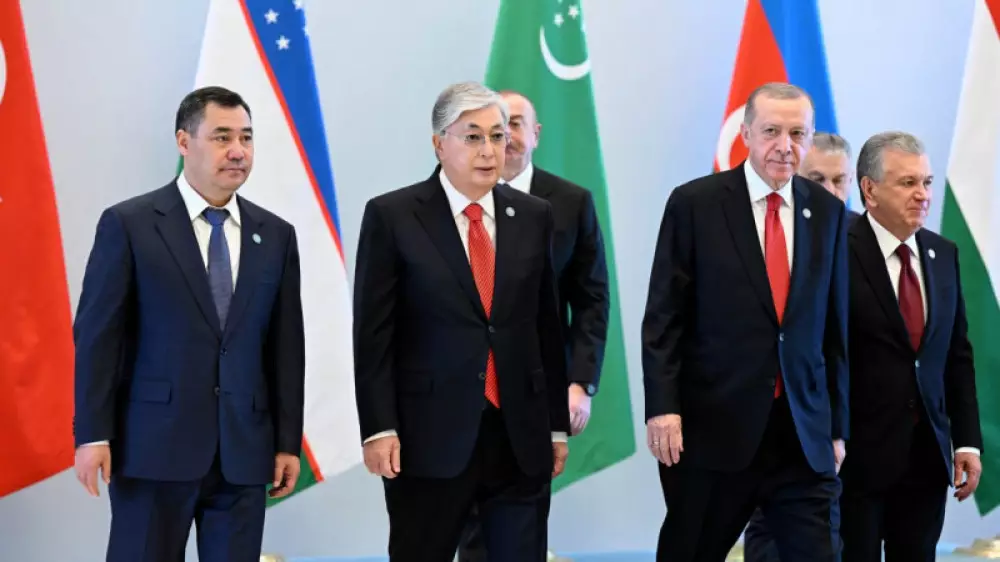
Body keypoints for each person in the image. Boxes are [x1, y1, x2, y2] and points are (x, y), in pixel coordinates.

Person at [72, 86, 305, 562]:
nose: (238, 151)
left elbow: (285, 349)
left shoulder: (275, 235)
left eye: (246, 137)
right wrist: (93, 433)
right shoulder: (130, 224)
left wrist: (286, 442)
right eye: (222, 137)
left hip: (242, 454)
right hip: (152, 450)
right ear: (183, 141)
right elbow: (98, 338)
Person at [352, 81, 569, 562]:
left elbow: (546, 330)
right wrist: (379, 427)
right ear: (439, 144)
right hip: (427, 437)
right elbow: (373, 335)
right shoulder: (393, 216)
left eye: (497, 136)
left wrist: (555, 426)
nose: (489, 150)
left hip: (518, 436)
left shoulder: (533, 216)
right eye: (473, 137)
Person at [642, 82, 849, 562]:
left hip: (802, 435)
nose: (785, 146)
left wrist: (837, 428)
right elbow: (664, 317)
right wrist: (663, 408)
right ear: (746, 134)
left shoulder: (828, 212)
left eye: (797, 133)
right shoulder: (695, 204)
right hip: (715, 429)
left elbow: (834, 330)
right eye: (771, 131)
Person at [456, 90, 611, 562]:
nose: (505, 138)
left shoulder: (570, 202)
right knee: (469, 534)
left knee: (521, 532)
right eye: (491, 130)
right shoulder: (450, 202)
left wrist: (580, 382)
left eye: (515, 124)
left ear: (536, 134)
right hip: (462, 397)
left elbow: (591, 300)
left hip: (536, 394)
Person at [838, 131, 982, 562]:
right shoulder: (836, 253)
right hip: (855, 461)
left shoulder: (943, 253)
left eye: (927, 182)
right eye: (907, 183)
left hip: (925, 460)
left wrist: (967, 442)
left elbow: (956, 357)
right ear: (869, 190)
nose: (922, 194)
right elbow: (823, 354)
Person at [743, 130, 856, 562]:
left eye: (838, 180)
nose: (829, 191)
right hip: (789, 421)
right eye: (817, 179)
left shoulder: (868, 241)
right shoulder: (772, 234)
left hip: (853, 423)